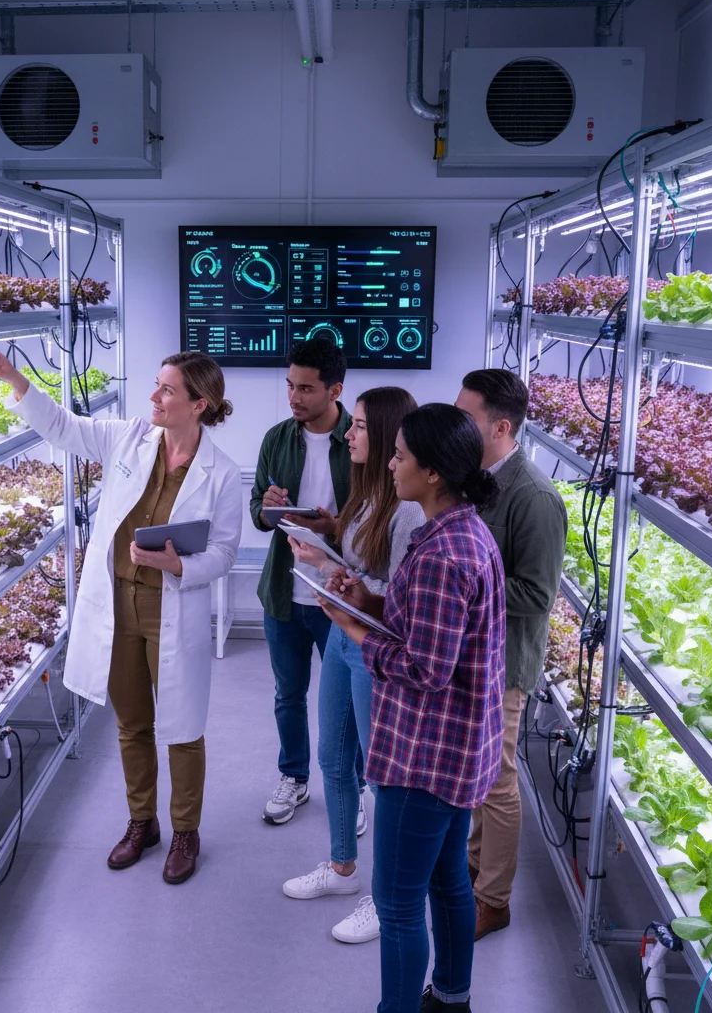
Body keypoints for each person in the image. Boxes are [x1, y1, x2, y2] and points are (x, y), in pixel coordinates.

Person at [0, 343, 243, 885]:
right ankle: (142, 822)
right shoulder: (129, 437)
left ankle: (185, 832)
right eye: (158, 384)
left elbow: (224, 554)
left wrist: (178, 565)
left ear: (200, 404)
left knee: (184, 726)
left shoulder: (221, 473)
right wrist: (15, 378)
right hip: (119, 602)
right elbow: (63, 428)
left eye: (167, 390)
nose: (155, 396)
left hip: (172, 604)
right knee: (131, 722)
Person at [319, 403, 505, 1013]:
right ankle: (452, 996)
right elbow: (426, 630)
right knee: (449, 881)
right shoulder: (460, 532)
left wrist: (352, 628)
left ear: (432, 474)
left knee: (399, 905)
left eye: (399, 455)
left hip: (420, 758)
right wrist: (369, 597)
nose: (390, 464)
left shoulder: (440, 556)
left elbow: (424, 669)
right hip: (460, 757)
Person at [281, 387, 425, 946]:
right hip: (346, 640)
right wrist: (327, 560)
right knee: (333, 758)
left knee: (381, 776)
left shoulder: (410, 511)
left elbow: (404, 599)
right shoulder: (370, 495)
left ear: (388, 433)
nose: (349, 434)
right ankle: (343, 869)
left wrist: (351, 584)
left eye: (360, 426)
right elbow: (365, 571)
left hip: (376, 650)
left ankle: (386, 898)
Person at [454, 369, 567, 939]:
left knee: (497, 781)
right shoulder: (478, 479)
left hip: (505, 665)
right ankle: (474, 870)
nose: (457, 424)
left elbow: (536, 594)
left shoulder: (533, 496)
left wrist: (461, 583)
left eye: (466, 416)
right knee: (476, 773)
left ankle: (493, 900)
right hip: (471, 657)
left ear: (499, 426)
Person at [250, 339, 365, 828]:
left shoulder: (360, 443)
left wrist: (330, 527)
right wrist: (267, 505)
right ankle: (293, 777)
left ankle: (353, 789)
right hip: (284, 590)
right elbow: (258, 514)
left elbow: (370, 525)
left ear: (335, 389)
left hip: (337, 593)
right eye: (290, 386)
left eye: (306, 388)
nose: (294, 397)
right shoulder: (277, 438)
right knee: (288, 694)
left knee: (348, 706)